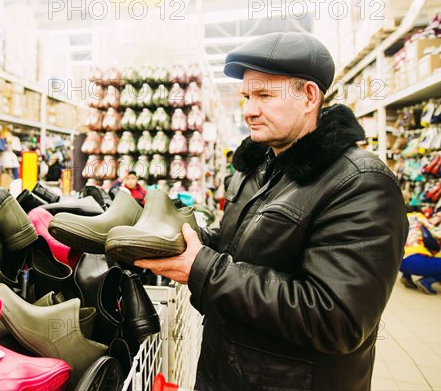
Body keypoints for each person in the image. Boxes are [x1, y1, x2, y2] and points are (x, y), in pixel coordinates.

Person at [135, 32, 408, 390]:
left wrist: (203, 270)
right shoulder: (260, 168)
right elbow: (238, 248)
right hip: (225, 370)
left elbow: (336, 318)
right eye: (247, 96)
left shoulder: (360, 183)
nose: (248, 110)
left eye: (264, 95)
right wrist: (181, 240)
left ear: (309, 96)